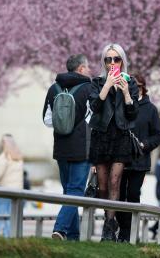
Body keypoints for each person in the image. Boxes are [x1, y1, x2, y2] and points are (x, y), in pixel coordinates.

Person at [88, 43, 139, 241]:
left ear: (122, 61)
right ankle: (110, 219)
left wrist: (126, 92)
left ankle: (109, 227)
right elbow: (95, 107)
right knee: (102, 186)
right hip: (101, 136)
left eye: (116, 59)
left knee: (115, 181)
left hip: (120, 136)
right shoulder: (97, 82)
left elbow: (133, 114)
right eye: (108, 59)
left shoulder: (130, 82)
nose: (112, 63)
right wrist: (108, 85)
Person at [42, 54, 93, 241]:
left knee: (69, 192)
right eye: (87, 67)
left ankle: (73, 237)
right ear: (80, 69)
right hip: (81, 149)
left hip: (61, 149)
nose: (89, 70)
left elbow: (47, 120)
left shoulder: (53, 88)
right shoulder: (89, 88)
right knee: (76, 192)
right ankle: (60, 229)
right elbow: (94, 119)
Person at [115, 74, 160, 242]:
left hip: (140, 161)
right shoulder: (121, 103)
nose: (133, 89)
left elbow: (158, 134)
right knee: (119, 196)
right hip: (120, 158)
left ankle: (129, 232)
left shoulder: (151, 109)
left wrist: (144, 144)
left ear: (143, 87)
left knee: (133, 194)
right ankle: (123, 230)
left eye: (136, 86)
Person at [0, 134, 24, 237]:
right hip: (17, 192)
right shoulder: (19, 157)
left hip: (4, 191)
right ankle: (10, 237)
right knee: (12, 217)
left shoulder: (4, 157)